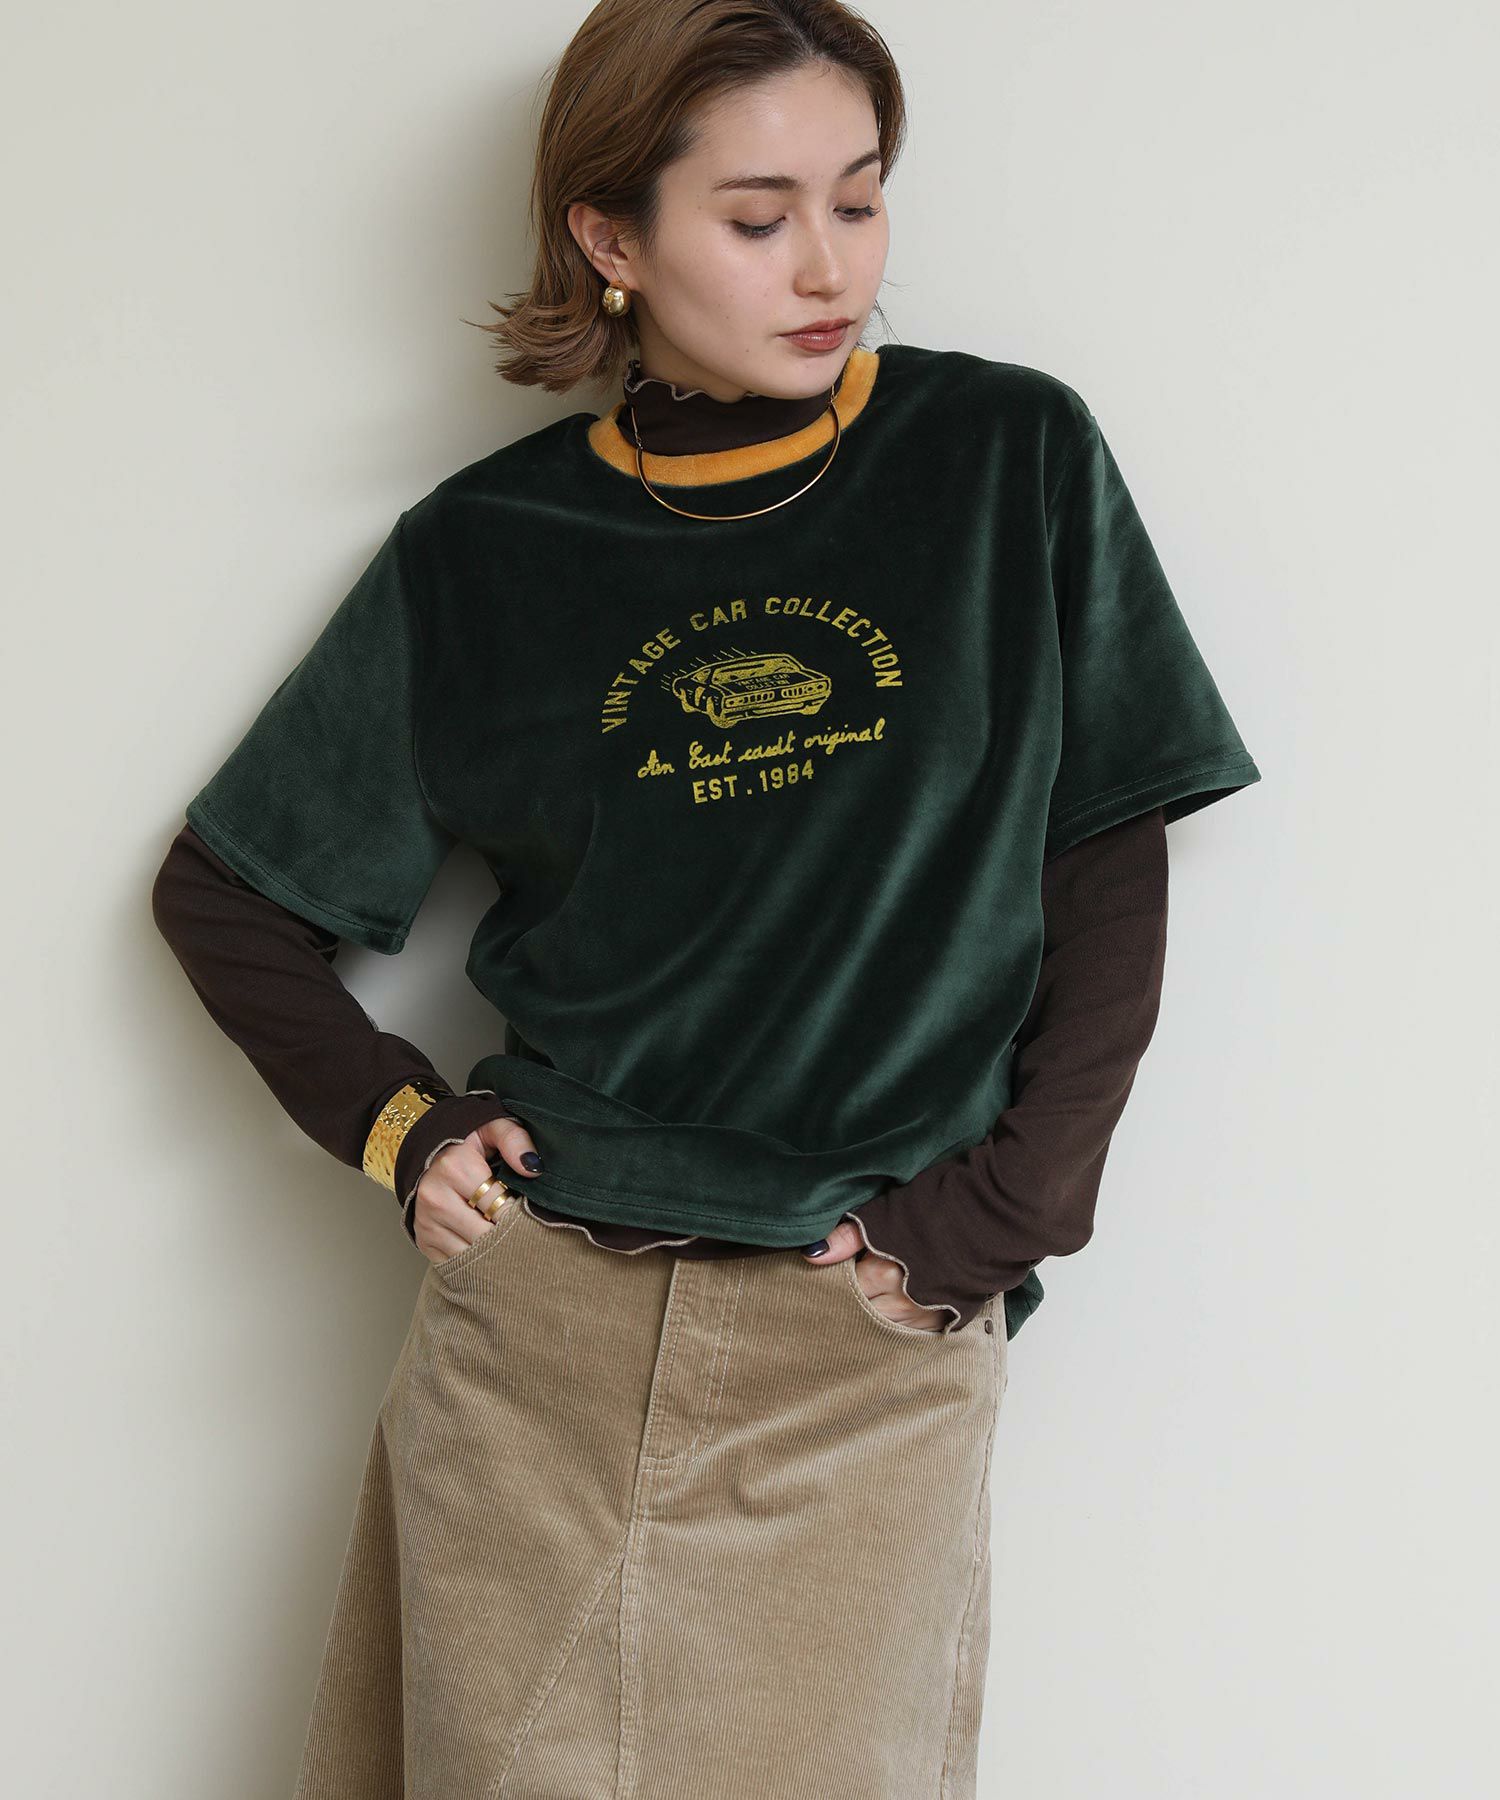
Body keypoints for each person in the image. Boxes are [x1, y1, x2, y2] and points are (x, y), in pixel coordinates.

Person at [151, 3, 1261, 1794]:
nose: (829, 267)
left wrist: (1011, 1209)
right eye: (758, 218)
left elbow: (1106, 850)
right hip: (538, 1335)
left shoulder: (1005, 460)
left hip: (861, 1326)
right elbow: (226, 895)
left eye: (860, 200)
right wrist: (402, 1128)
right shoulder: (486, 553)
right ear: (610, 236)